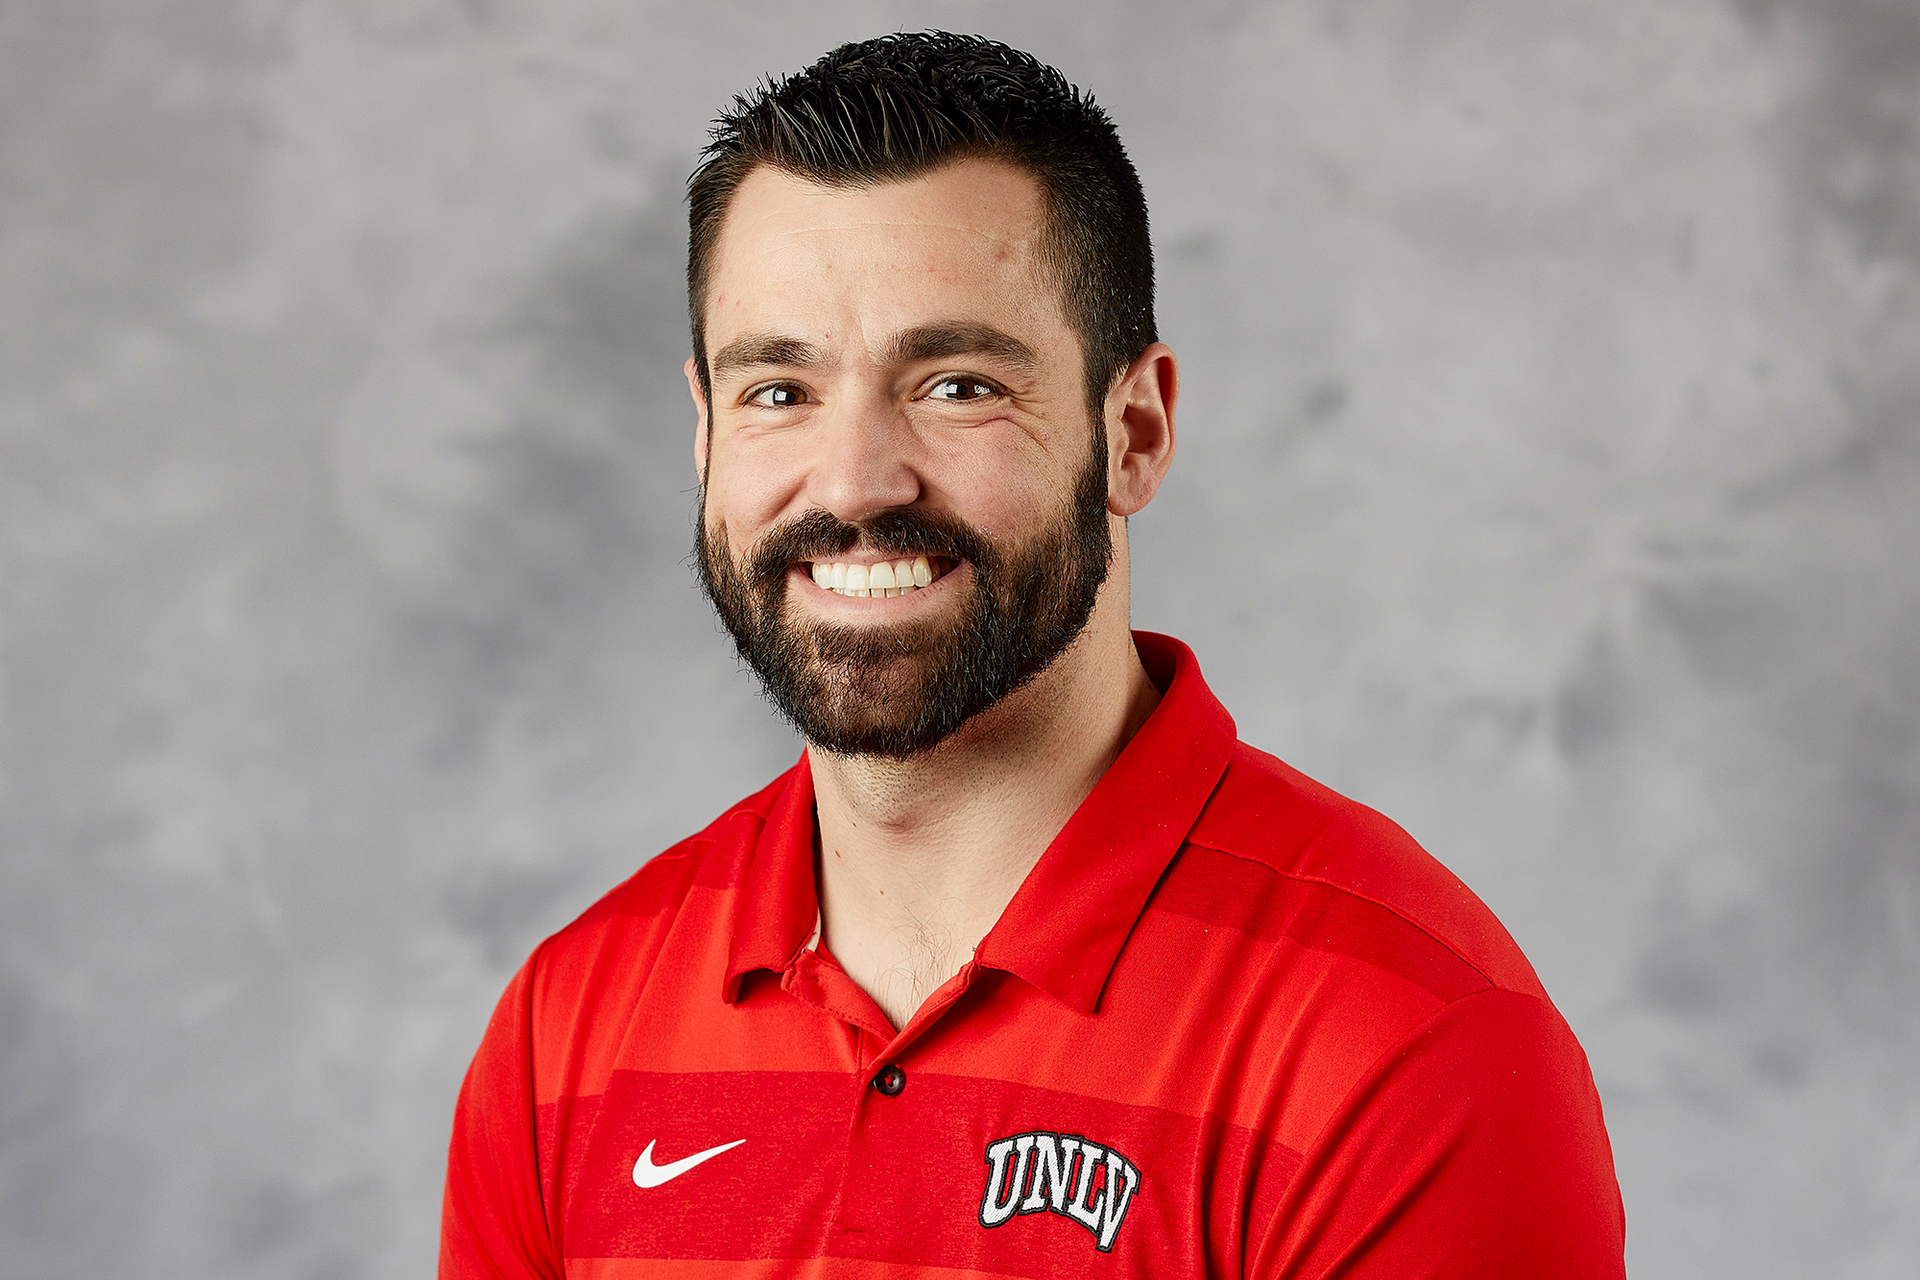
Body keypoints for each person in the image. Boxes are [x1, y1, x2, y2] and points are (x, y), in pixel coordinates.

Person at [440, 31, 1626, 1279]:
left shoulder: (1406, 1044)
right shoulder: (564, 1033)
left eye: (956, 385)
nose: (853, 482)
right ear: (704, 435)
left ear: (1135, 431)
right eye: (779, 391)